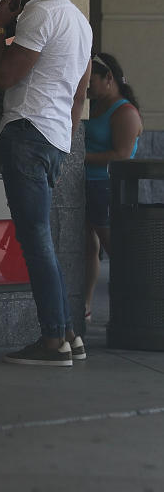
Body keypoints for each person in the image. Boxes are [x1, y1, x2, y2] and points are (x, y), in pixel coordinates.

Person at [0, 0, 91, 367]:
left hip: (27, 135)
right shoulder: (80, 21)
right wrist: (62, 144)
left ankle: (52, 342)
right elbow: (79, 96)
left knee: (37, 243)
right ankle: (69, 334)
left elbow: (4, 75)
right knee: (44, 240)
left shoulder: (39, 14)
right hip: (52, 139)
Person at [82, 52, 143, 320]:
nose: (86, 87)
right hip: (86, 184)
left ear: (109, 78)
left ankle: (137, 304)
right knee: (87, 247)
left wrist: (77, 159)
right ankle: (84, 305)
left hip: (105, 186)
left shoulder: (124, 112)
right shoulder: (95, 107)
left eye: (90, 81)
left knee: (115, 247)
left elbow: (121, 155)